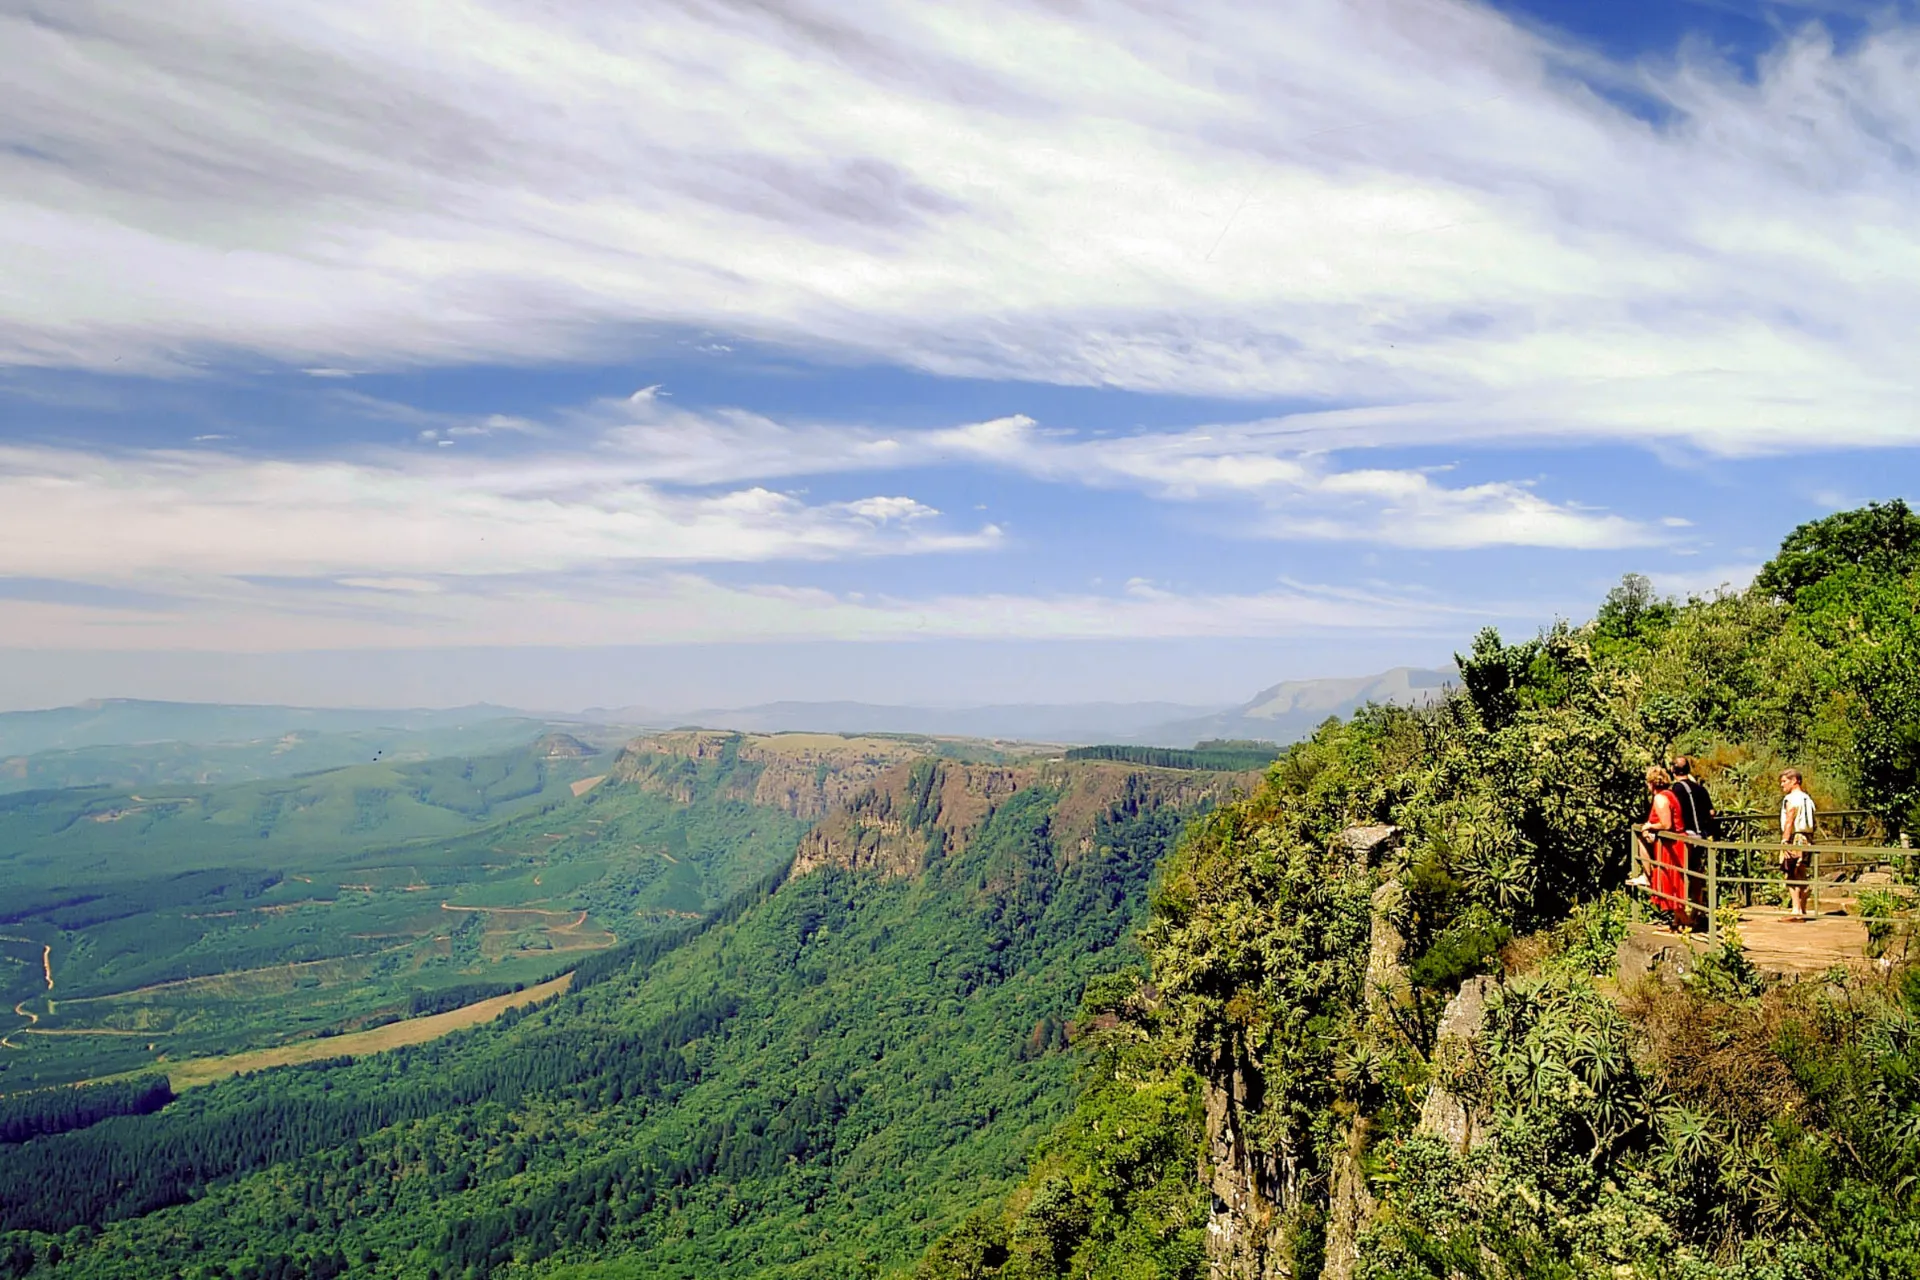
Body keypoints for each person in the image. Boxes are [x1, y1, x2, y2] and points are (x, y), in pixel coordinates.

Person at [1639, 765, 1691, 932]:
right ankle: (1678, 922)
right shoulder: (1670, 795)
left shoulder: (1661, 798)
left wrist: (1650, 826)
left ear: (1651, 783)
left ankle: (1687, 921)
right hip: (1673, 844)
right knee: (1673, 882)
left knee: (1670, 883)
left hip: (1672, 846)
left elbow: (1666, 824)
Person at [1669, 757, 1718, 917]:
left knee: (1681, 872)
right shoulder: (1700, 789)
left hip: (1685, 836)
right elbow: (1711, 812)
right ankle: (1698, 909)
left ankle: (1682, 912)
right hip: (1702, 836)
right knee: (1696, 872)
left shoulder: (1675, 790)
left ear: (1673, 770)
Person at [1779, 768, 1817, 921]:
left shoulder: (1791, 799)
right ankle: (1802, 908)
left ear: (1794, 781)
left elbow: (1790, 820)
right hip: (1807, 838)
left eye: (1784, 781)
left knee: (1791, 872)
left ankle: (1796, 910)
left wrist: (1785, 841)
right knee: (1801, 872)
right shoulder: (1808, 799)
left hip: (1796, 837)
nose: (1782, 785)